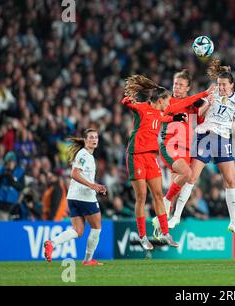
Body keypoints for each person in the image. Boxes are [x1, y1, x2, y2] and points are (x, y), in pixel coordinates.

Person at [168, 58, 235, 235]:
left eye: (225, 85)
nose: (222, 88)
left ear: (232, 85)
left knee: (230, 181)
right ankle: (176, 216)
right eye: (219, 84)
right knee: (192, 177)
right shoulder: (213, 94)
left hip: (223, 139)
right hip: (204, 135)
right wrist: (208, 103)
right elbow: (199, 115)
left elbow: (234, 126)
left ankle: (234, 222)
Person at [121, 74, 215, 250]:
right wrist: (128, 100)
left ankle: (165, 234)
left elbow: (165, 117)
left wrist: (176, 119)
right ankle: (142, 236)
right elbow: (127, 104)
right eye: (167, 102)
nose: (169, 105)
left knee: (158, 195)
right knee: (141, 197)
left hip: (151, 157)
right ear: (162, 100)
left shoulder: (159, 113)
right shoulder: (143, 108)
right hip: (136, 156)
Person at [152, 69, 211, 233]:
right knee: (186, 175)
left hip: (186, 148)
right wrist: (202, 95)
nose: (176, 87)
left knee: (176, 188)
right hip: (171, 145)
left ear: (187, 88)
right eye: (175, 84)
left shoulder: (192, 104)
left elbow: (199, 120)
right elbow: (162, 115)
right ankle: (165, 203)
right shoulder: (168, 100)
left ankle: (160, 228)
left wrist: (208, 105)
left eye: (180, 85)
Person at [44, 129, 107, 266]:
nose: (94, 139)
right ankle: (88, 261)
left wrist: (96, 186)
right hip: (85, 196)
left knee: (78, 231)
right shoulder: (84, 155)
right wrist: (93, 185)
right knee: (96, 227)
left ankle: (52, 243)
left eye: (96, 137)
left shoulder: (86, 155)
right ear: (85, 140)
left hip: (72, 196)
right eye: (91, 137)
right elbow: (74, 173)